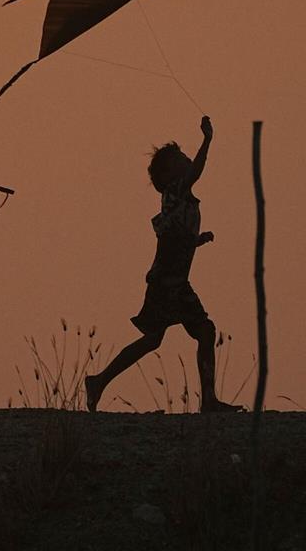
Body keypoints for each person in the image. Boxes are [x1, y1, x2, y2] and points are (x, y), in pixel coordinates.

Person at [85, 115, 243, 413]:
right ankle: (99, 381)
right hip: (165, 282)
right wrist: (207, 139)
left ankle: (207, 399)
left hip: (175, 282)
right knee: (162, 338)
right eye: (181, 158)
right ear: (170, 174)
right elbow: (196, 172)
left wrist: (198, 240)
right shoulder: (176, 191)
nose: (187, 159)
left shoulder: (181, 201)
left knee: (199, 332)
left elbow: (175, 237)